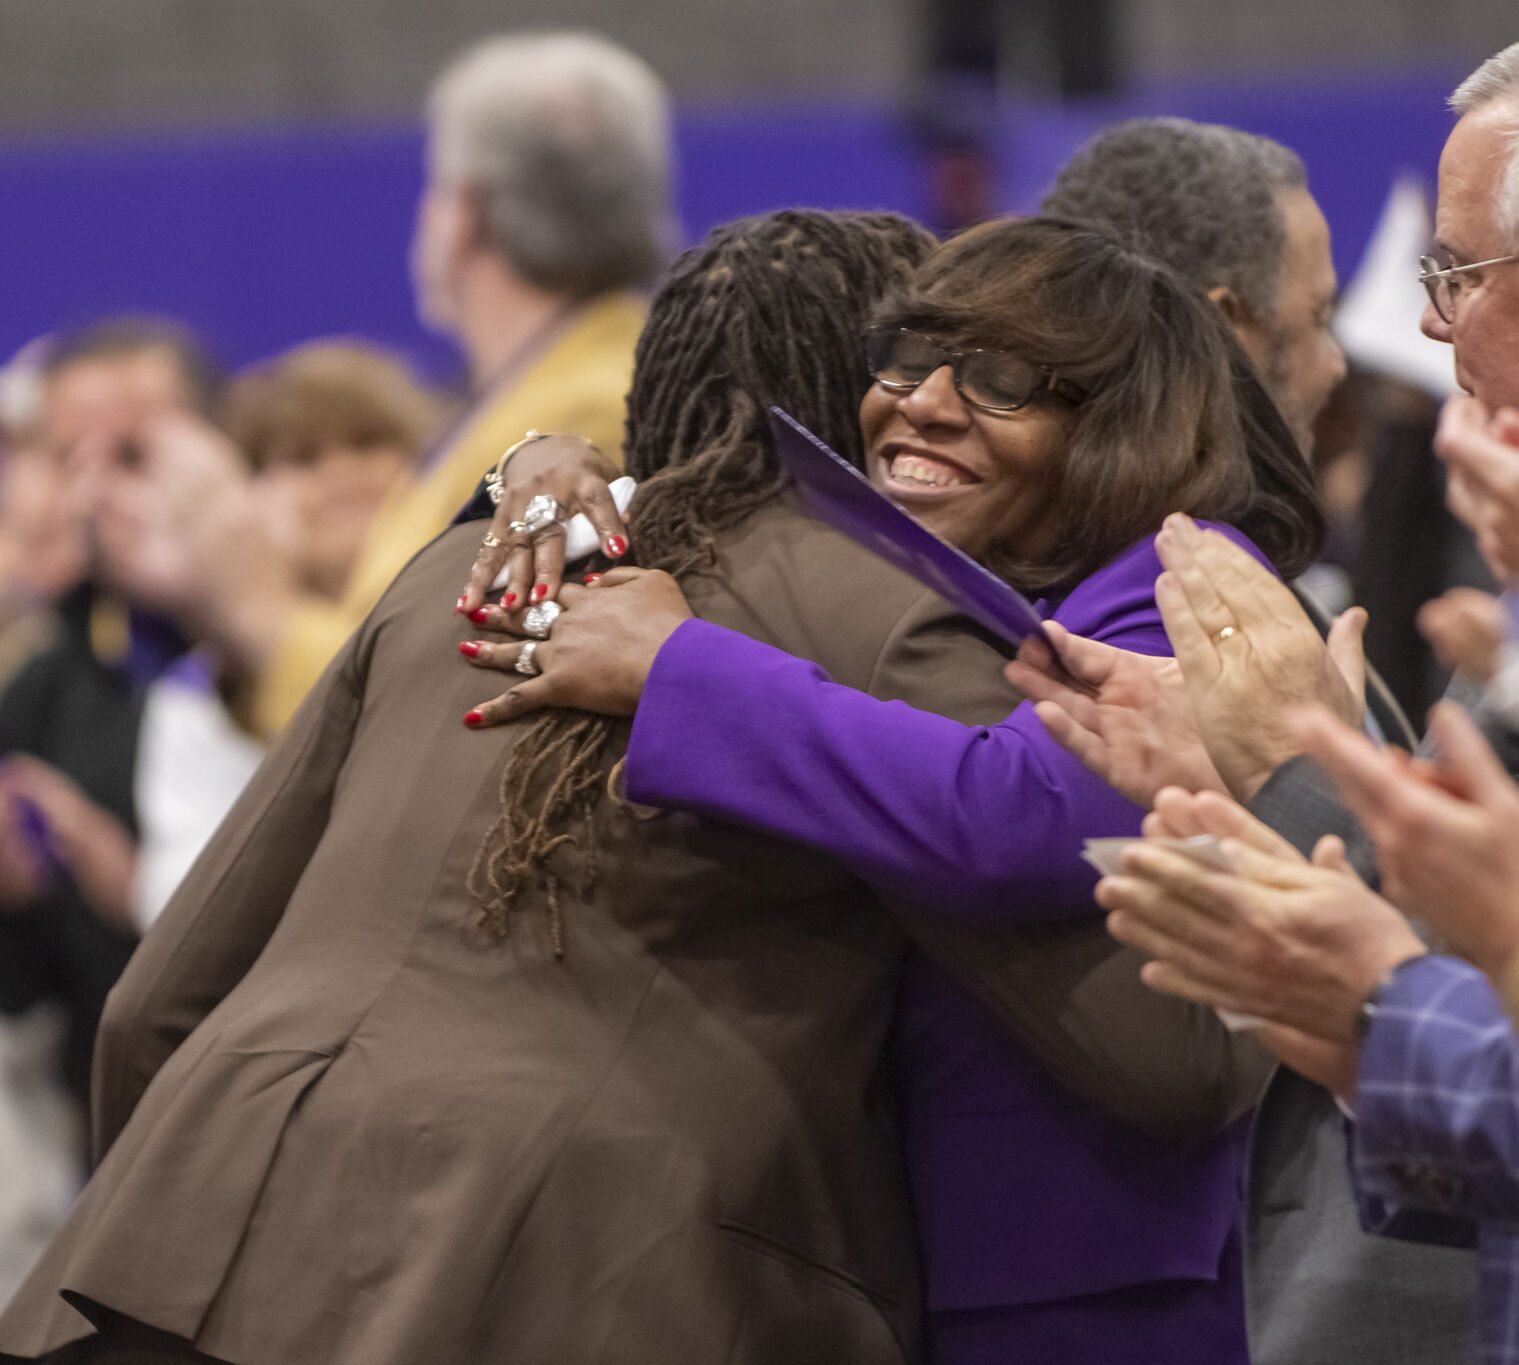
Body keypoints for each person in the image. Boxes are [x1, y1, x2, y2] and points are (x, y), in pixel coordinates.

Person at [454, 214, 1324, 1362]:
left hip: (1098, 1277)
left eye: (1002, 379)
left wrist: (677, 668)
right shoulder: (941, 580)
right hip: (911, 1259)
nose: (921, 402)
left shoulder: (1191, 582)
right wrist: (542, 460)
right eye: (907, 360)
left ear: (1120, 425)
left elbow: (1007, 819)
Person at [102, 31, 669, 741]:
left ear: (467, 212)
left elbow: (428, 701)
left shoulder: (572, 419)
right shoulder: (559, 386)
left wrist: (256, 600)